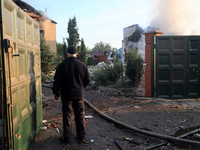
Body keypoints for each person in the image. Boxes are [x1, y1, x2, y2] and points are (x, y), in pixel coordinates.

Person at [52, 46, 91, 144]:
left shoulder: (62, 66)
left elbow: (57, 81)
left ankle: (67, 138)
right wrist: (81, 87)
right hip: (79, 95)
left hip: (66, 96)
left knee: (67, 116)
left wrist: (55, 92)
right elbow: (88, 80)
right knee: (80, 115)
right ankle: (81, 136)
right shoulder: (83, 65)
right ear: (76, 55)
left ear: (67, 54)